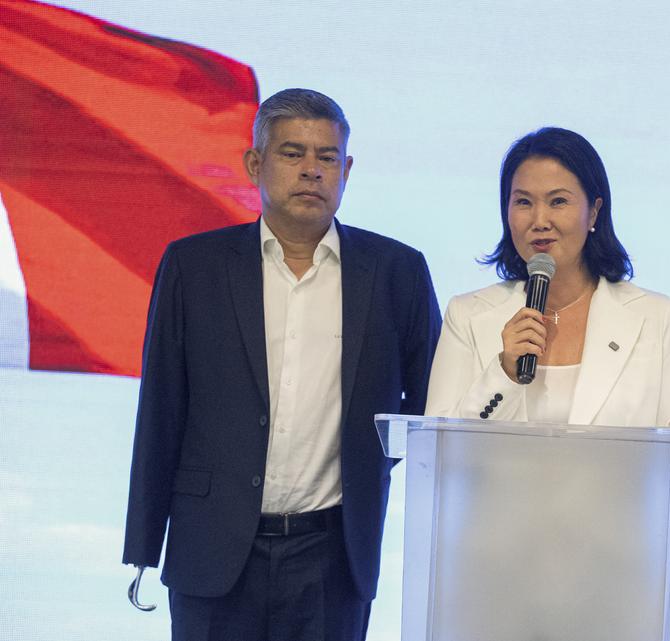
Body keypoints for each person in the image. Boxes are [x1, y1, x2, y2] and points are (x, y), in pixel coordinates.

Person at [122, 88, 441, 641]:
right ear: (255, 163)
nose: (312, 171)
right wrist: (144, 545)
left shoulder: (397, 272)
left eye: (328, 157)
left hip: (333, 556)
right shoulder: (193, 266)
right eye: (293, 153)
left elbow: (433, 402)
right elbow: (161, 409)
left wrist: (371, 466)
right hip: (213, 549)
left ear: (347, 169)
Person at [425, 126, 670, 430]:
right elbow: (437, 447)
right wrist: (504, 372)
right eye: (523, 202)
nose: (540, 221)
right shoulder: (467, 315)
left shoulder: (655, 317)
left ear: (594, 212)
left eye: (558, 201)